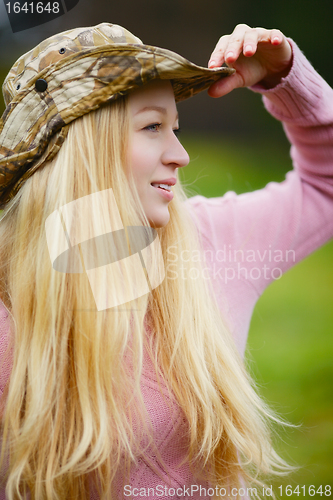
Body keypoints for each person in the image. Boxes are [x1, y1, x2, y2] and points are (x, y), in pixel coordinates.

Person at [0, 21, 332, 500]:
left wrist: (286, 77)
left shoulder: (211, 241)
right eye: (153, 127)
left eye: (175, 127)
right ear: (82, 148)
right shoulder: (9, 306)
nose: (181, 154)